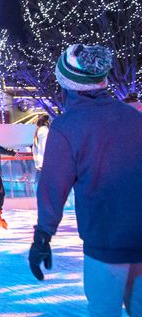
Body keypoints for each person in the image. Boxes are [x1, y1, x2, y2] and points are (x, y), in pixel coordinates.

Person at [29, 44, 142, 315]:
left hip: (104, 247)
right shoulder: (135, 118)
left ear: (68, 85)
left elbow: (53, 187)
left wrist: (42, 237)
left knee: (105, 311)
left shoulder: (68, 128)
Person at [32, 114, 50, 188]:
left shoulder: (38, 131)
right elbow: (47, 147)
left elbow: (35, 149)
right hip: (47, 162)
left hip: (41, 163)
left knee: (39, 185)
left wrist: (37, 162)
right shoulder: (46, 131)